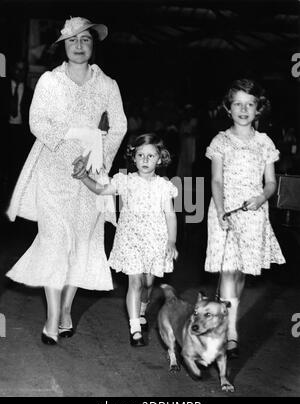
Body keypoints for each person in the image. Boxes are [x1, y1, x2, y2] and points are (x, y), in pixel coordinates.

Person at [6, 17, 127, 345]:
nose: (78, 45)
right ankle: (52, 317)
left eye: (85, 39)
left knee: (82, 245)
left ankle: (67, 310)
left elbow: (118, 127)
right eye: (72, 40)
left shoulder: (107, 84)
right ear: (63, 46)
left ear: (92, 45)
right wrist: (66, 148)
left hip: (90, 174)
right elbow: (36, 121)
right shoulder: (49, 81)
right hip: (53, 169)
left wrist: (95, 157)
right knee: (55, 241)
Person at [204, 79, 285, 358]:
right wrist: (220, 211)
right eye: (237, 103)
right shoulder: (220, 141)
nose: (243, 109)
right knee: (228, 270)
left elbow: (271, 183)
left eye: (249, 104)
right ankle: (231, 332)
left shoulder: (265, 143)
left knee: (240, 274)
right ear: (228, 108)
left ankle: (223, 310)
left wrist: (261, 198)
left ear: (258, 110)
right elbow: (215, 180)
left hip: (252, 214)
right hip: (224, 211)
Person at [73, 133, 178, 347]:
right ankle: (135, 329)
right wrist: (84, 177)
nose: (145, 160)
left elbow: (170, 215)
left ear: (159, 159)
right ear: (134, 157)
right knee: (135, 281)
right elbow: (101, 190)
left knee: (148, 284)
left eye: (151, 155)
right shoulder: (125, 181)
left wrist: (172, 241)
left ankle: (141, 310)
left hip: (155, 240)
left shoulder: (163, 186)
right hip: (130, 239)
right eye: (141, 155)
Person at [0, 59, 34, 202]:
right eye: (17, 70)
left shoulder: (29, 92)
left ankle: (12, 196)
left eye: (23, 70)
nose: (20, 73)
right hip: (4, 130)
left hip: (20, 133)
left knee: (17, 165)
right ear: (11, 70)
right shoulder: (2, 88)